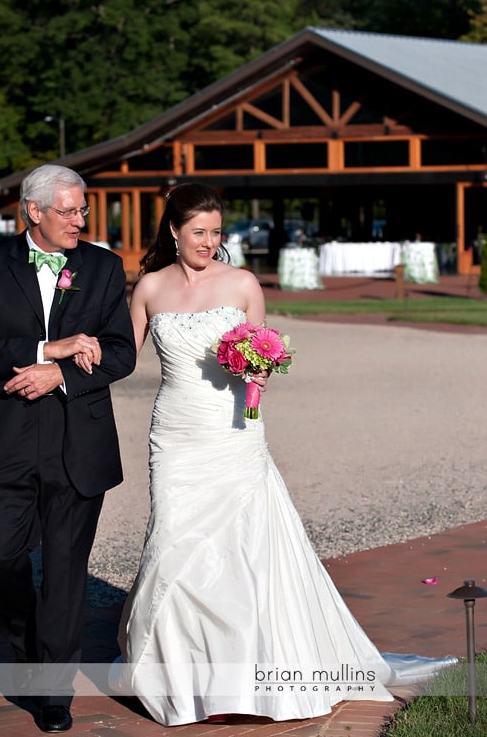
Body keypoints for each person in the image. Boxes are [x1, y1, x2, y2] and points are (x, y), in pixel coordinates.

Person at [109, 182, 454, 726]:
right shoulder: (149, 287)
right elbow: (121, 357)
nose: (208, 241)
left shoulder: (243, 283)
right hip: (175, 434)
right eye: (197, 232)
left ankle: (245, 679)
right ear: (173, 231)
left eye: (216, 232)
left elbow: (259, 352)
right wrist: (68, 351)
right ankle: (185, 679)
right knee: (174, 544)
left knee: (243, 548)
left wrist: (260, 366)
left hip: (234, 432)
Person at [0, 164, 136, 733]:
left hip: (77, 439)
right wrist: (46, 348)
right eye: (69, 210)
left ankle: (54, 691)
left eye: (83, 210)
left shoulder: (104, 267)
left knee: (65, 568)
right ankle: (31, 645)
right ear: (33, 211)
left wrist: (58, 375)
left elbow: (120, 353)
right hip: (5, 436)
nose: (80, 220)